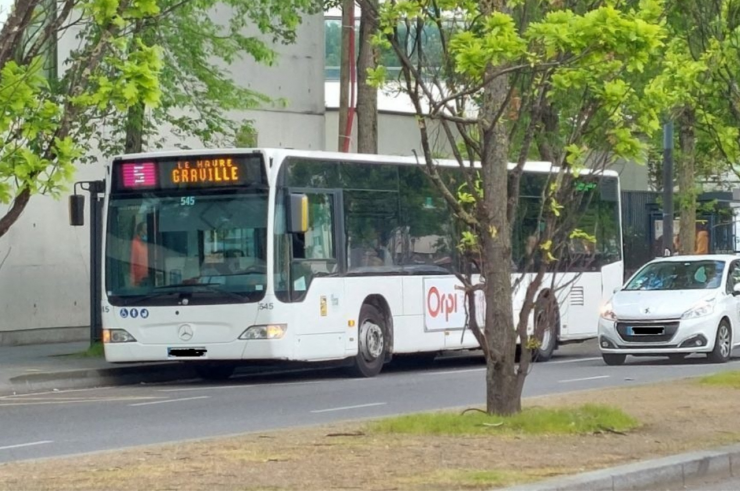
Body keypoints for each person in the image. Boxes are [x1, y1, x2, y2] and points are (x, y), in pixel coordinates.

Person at [130, 222, 149, 287]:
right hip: (139, 281)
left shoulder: (148, 244)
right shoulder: (135, 244)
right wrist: (133, 281)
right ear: (140, 232)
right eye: (146, 230)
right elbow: (132, 263)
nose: (147, 232)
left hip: (149, 278)